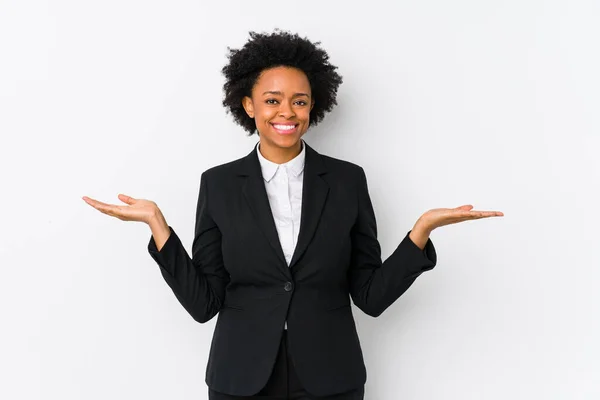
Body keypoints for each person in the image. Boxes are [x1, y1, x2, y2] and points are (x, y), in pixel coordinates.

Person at [83, 30, 503, 400]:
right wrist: (159, 227)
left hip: (330, 377)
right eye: (272, 100)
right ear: (248, 105)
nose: (287, 112)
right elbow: (203, 303)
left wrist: (421, 233)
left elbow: (371, 297)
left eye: (299, 101)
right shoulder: (219, 184)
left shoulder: (346, 181)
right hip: (240, 377)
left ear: (312, 107)